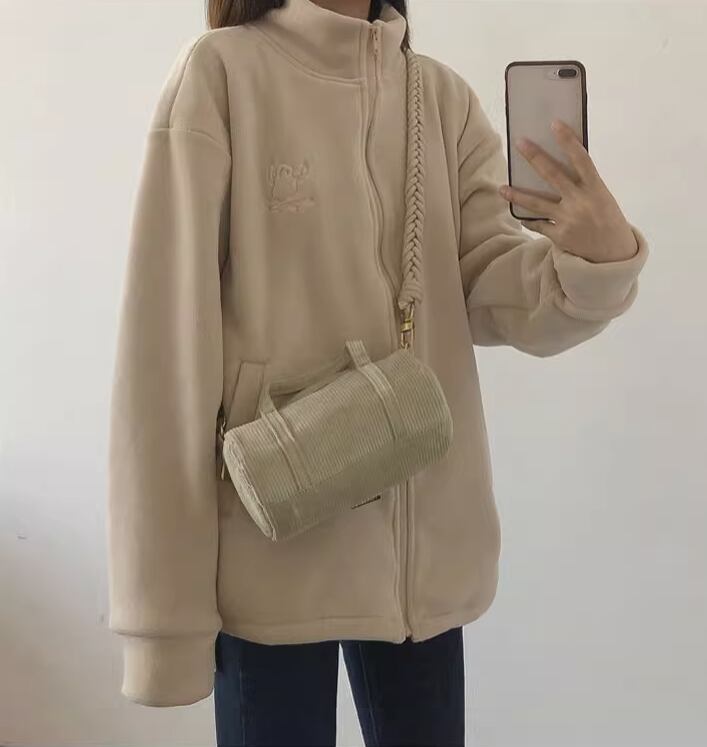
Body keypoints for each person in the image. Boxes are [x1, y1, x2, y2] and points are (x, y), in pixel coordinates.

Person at [106, 0, 650, 744]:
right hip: (273, 534)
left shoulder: (439, 97)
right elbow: (165, 350)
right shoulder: (223, 72)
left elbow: (494, 292)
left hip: (420, 560)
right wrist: (161, 621)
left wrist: (596, 259)